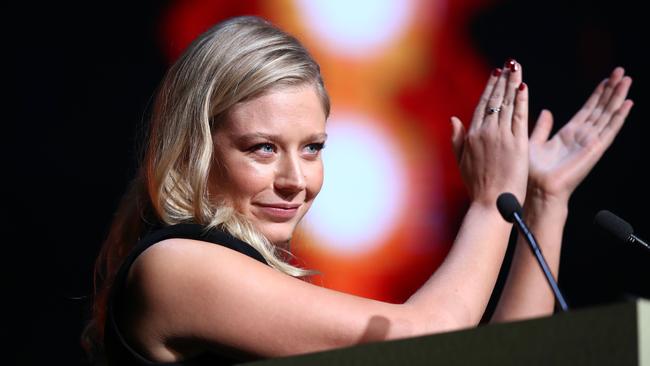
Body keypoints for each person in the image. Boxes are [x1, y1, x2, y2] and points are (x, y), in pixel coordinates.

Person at [82, 15, 633, 365]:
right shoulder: (175, 267)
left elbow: (501, 358)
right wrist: (490, 202)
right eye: (262, 148)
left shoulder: (230, 275)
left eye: (313, 148)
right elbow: (427, 340)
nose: (297, 180)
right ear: (194, 147)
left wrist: (543, 203)